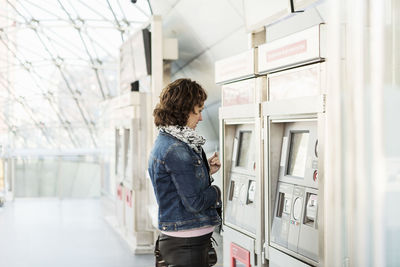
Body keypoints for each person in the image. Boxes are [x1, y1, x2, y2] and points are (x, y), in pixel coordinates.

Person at [148, 78, 222, 267]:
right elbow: (195, 202)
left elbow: (179, 186)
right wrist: (218, 192)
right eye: (198, 111)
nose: (201, 118)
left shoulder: (170, 141)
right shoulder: (177, 149)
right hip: (187, 245)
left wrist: (206, 171)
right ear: (182, 111)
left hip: (183, 241)